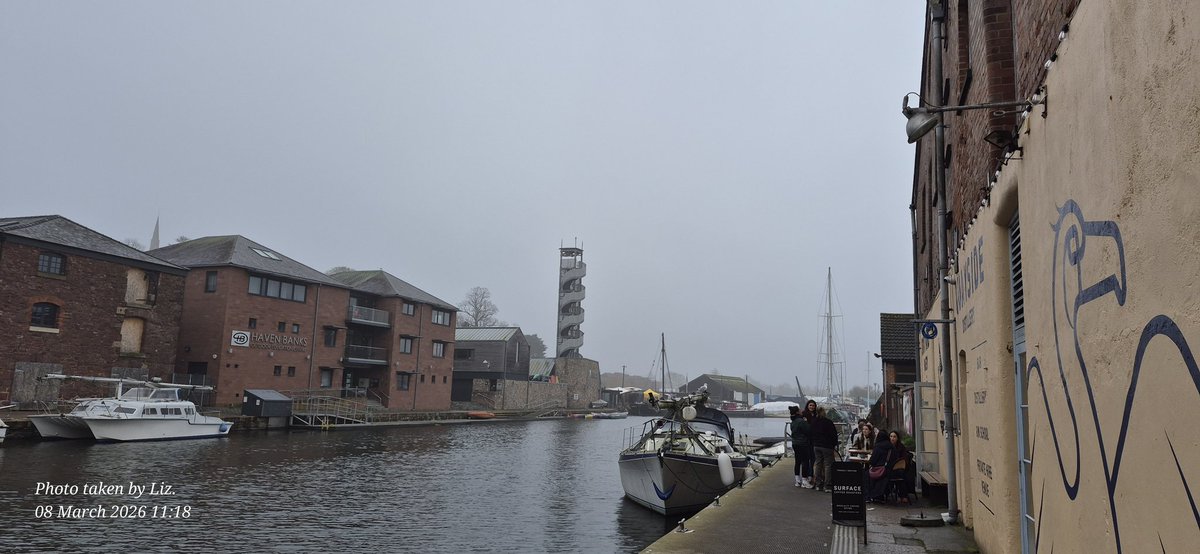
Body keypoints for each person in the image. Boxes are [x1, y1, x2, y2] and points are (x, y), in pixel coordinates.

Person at [810, 407, 839, 492]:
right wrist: (834, 444)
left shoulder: (814, 422)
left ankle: (818, 484)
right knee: (828, 465)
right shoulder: (828, 422)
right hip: (827, 446)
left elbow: (811, 433)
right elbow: (833, 435)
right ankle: (828, 485)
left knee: (818, 464)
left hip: (816, 445)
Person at [866, 429, 895, 502]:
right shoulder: (891, 447)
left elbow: (872, 461)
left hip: (879, 471)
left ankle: (869, 496)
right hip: (889, 471)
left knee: (866, 474)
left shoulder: (878, 447)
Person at [789, 405, 814, 488]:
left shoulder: (793, 422)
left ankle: (797, 480)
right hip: (803, 443)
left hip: (795, 443)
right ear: (797, 412)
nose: (801, 411)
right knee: (805, 461)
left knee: (797, 461)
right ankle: (804, 480)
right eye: (799, 410)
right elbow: (808, 431)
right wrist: (806, 422)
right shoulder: (801, 421)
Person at [887, 431, 912, 503]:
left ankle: (903, 495)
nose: (892, 438)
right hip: (890, 468)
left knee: (900, 475)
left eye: (894, 437)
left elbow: (904, 459)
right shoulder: (888, 447)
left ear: (897, 438)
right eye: (891, 436)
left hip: (900, 468)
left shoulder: (901, 447)